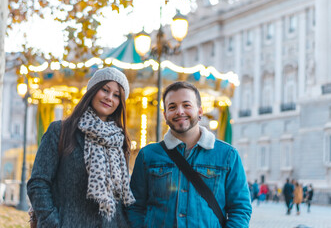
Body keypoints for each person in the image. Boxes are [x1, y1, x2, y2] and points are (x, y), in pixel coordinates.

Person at [127, 81, 252, 228]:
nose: (179, 111)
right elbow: (135, 206)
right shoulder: (148, 155)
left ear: (200, 111)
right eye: (172, 107)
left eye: (186, 105)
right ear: (165, 115)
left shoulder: (228, 155)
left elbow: (240, 209)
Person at [27, 67, 135, 227]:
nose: (109, 97)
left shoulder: (119, 142)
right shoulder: (61, 131)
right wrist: (52, 223)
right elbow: (38, 183)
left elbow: (119, 202)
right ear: (92, 90)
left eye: (117, 95)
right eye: (105, 90)